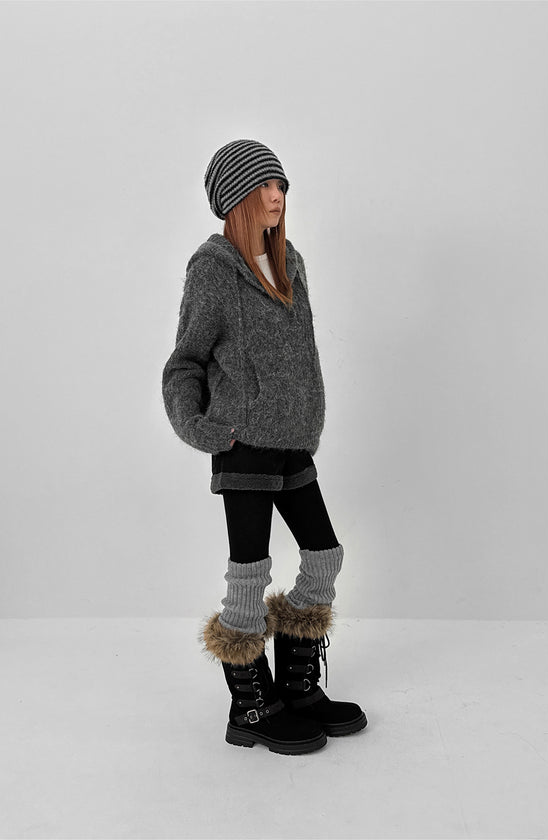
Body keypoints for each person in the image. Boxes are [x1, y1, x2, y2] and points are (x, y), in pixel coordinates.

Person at [162, 139, 367, 755]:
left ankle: (297, 689)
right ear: (236, 198)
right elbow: (185, 363)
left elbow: (299, 360)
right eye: (264, 187)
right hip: (244, 443)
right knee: (249, 575)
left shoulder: (289, 262)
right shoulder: (214, 269)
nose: (277, 196)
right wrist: (202, 429)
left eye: (281, 186)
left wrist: (310, 416)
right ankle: (250, 706)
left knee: (324, 557)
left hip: (293, 442)